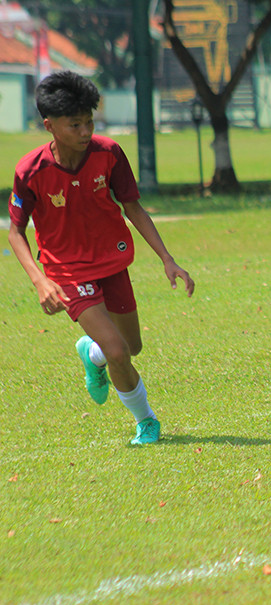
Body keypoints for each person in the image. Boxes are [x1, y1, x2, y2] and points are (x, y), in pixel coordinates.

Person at [7, 71, 195, 445]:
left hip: (112, 262)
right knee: (118, 351)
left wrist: (167, 258)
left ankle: (91, 354)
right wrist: (40, 280)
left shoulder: (108, 153)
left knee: (131, 347)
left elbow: (133, 208)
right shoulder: (30, 171)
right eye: (74, 124)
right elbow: (16, 232)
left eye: (89, 121)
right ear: (50, 126)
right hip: (67, 270)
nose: (85, 130)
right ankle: (147, 422)